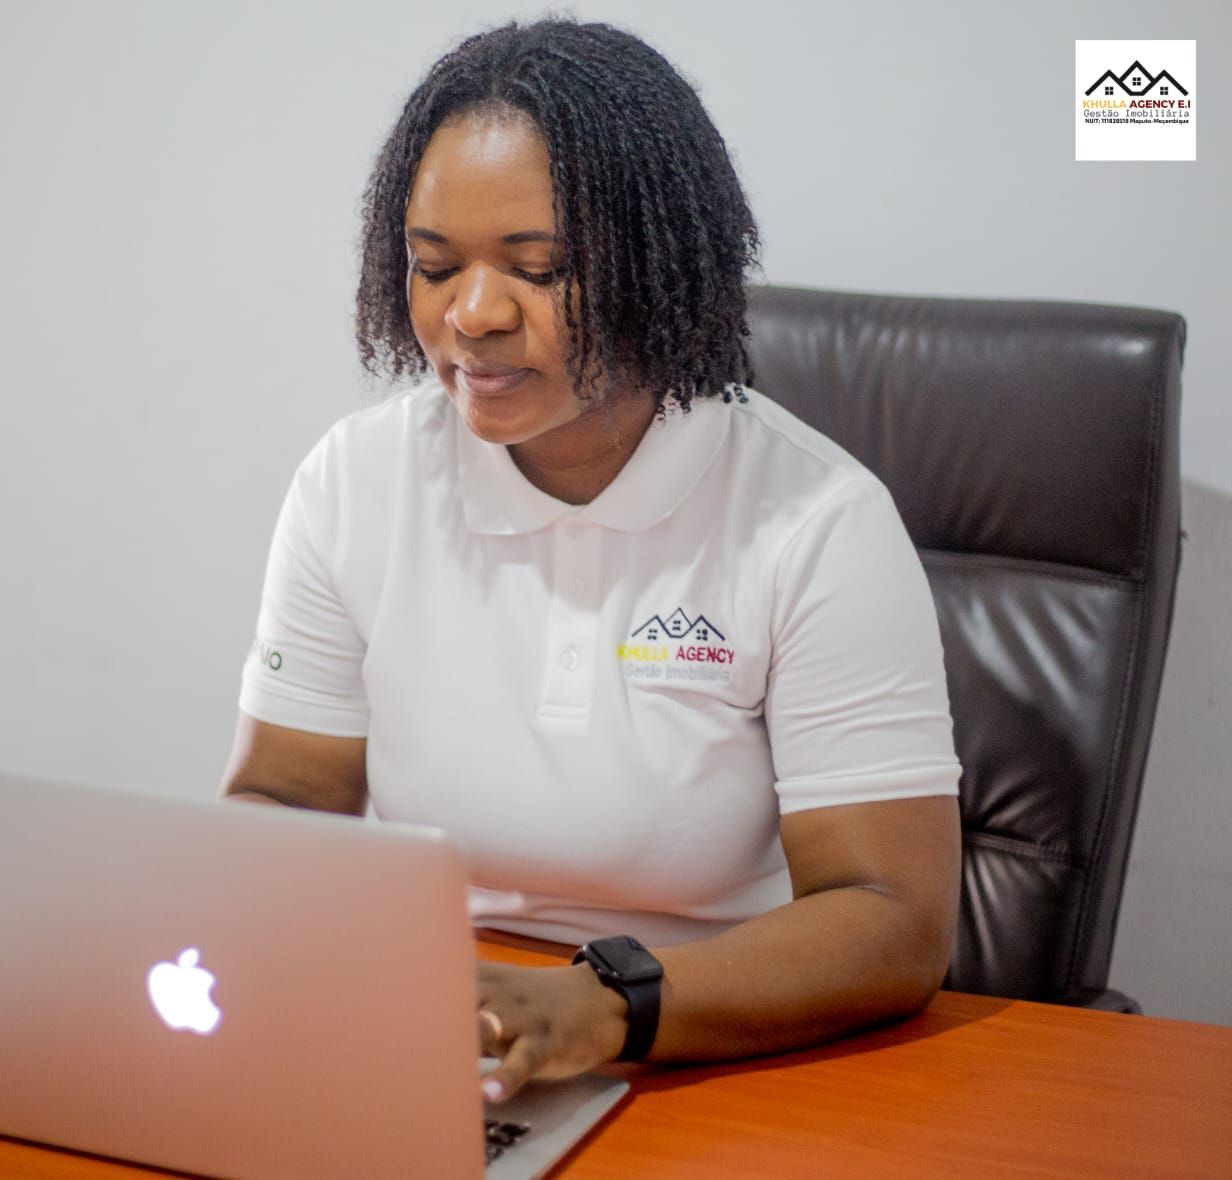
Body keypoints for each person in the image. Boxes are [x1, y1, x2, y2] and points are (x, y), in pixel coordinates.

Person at [220, 18, 962, 1105]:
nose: (469, 316)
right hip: (435, 1028)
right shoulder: (356, 478)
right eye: (433, 265)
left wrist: (605, 1006)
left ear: (660, 265)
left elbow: (892, 920)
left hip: (718, 1048)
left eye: (539, 268)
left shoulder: (815, 521)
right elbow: (284, 795)